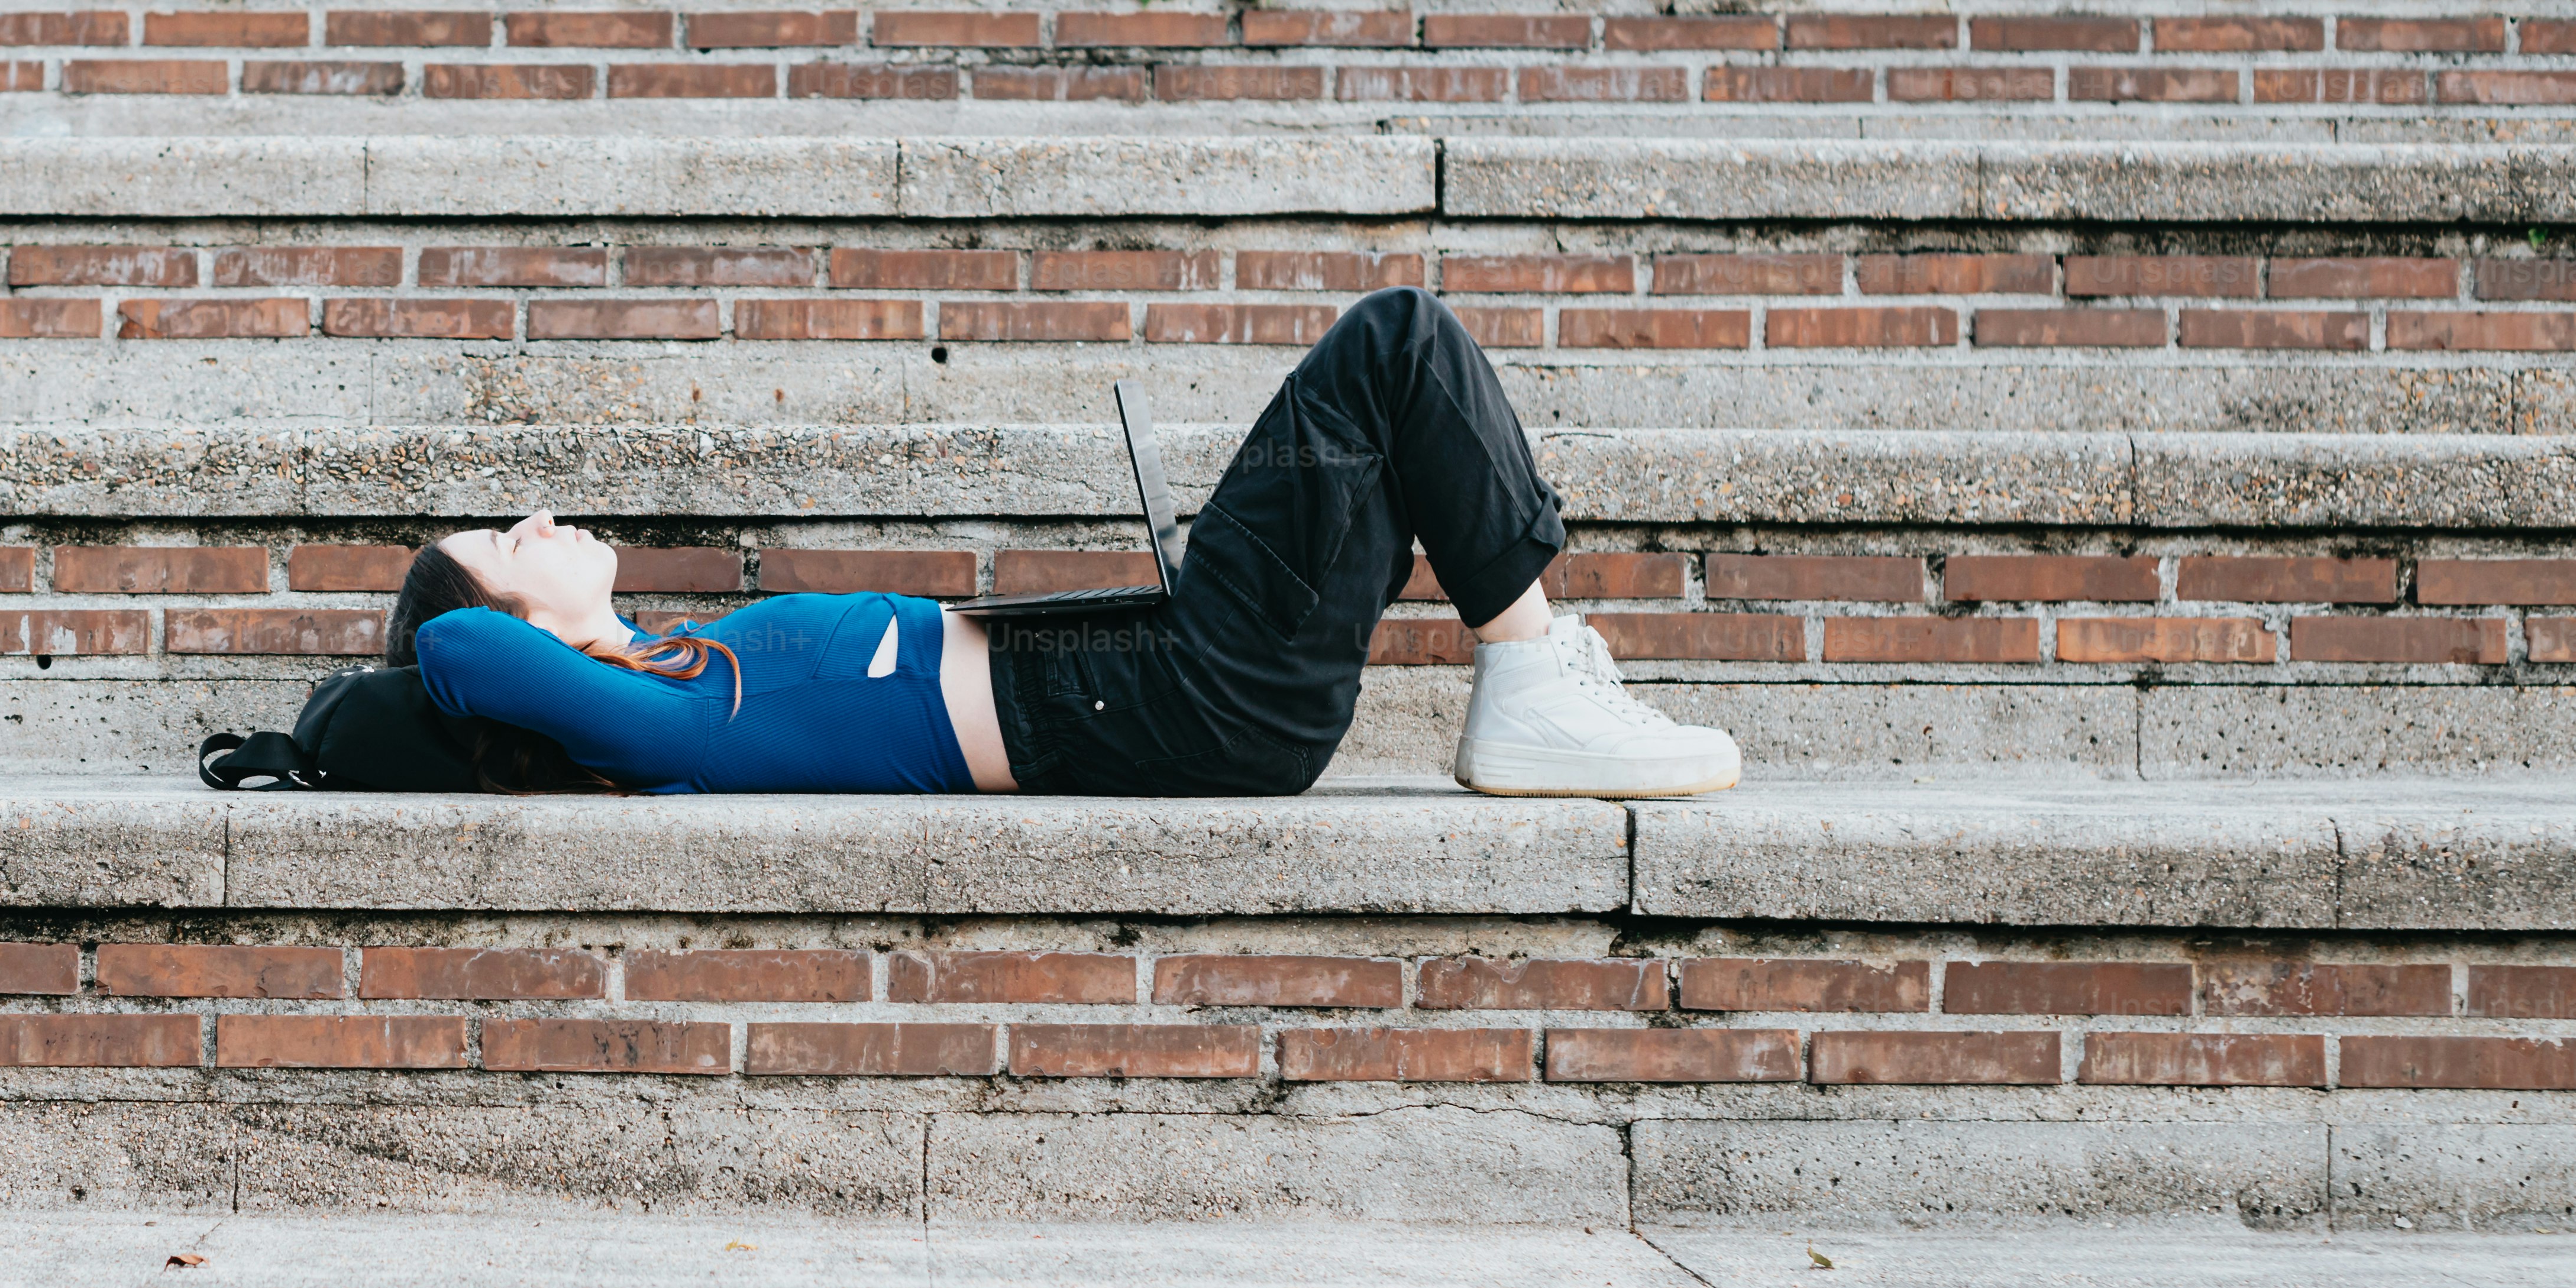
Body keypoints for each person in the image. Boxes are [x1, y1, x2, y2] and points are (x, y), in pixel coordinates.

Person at [390, 286, 1740, 801]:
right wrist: (462, 630)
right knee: (1393, 343)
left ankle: (1533, 670)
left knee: (1390, 396)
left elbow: (479, 635)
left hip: (1159, 662)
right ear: (524, 631)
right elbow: (445, 649)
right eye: (511, 541)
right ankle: (1529, 680)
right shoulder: (653, 731)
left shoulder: (683, 667)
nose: (543, 520)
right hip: (1174, 701)